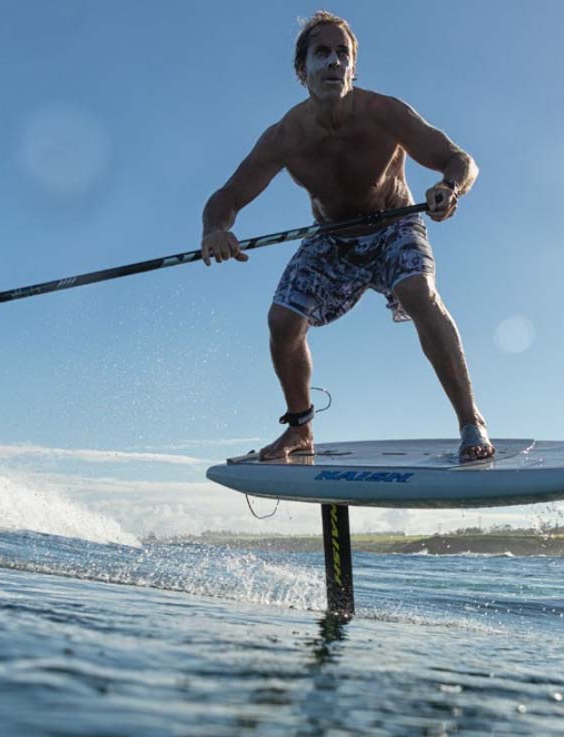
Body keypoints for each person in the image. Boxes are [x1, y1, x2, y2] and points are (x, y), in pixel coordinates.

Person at [200, 10, 493, 462]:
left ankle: (471, 421)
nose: (334, 62)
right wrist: (217, 230)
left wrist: (449, 189)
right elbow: (227, 196)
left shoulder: (385, 113)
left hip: (395, 225)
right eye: (322, 53)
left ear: (353, 67)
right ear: (303, 70)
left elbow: (459, 160)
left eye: (343, 54)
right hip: (333, 239)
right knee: (282, 322)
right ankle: (300, 429)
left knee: (418, 291)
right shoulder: (285, 136)